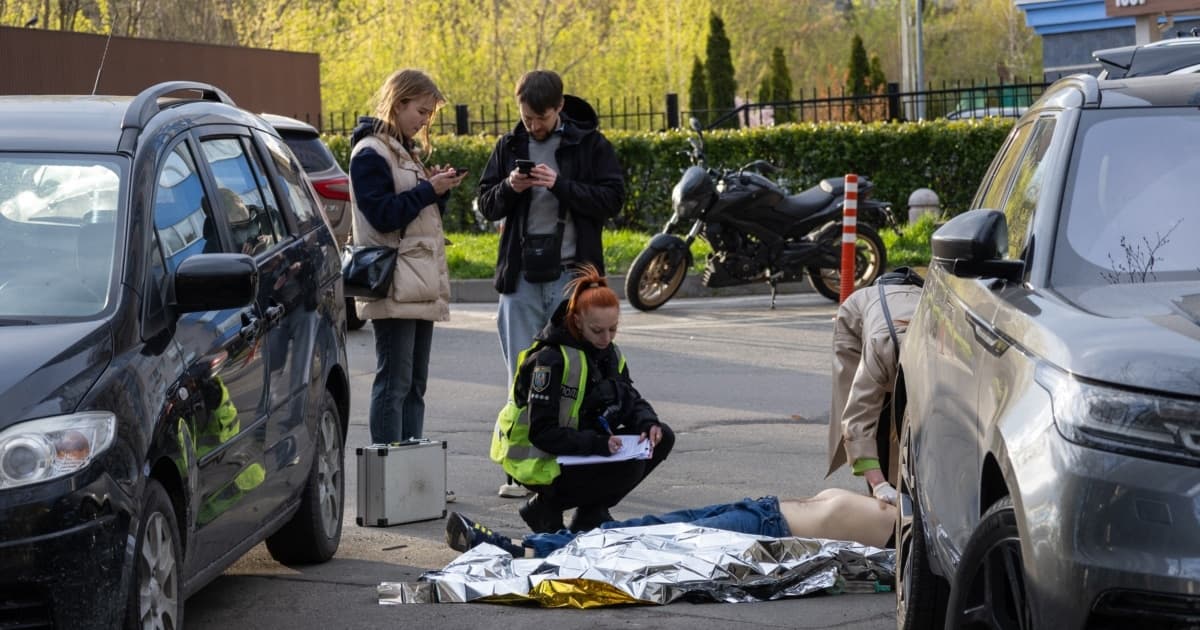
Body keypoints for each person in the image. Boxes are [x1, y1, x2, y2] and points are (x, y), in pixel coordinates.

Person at [476, 70, 626, 499]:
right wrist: (511, 186)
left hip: (570, 277)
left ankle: (573, 467)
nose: (532, 126)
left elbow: (612, 200)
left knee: (574, 375)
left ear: (559, 107)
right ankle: (522, 472)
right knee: (521, 376)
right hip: (521, 275)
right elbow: (487, 203)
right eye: (525, 118)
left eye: (539, 118)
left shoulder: (589, 144)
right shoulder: (509, 145)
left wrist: (560, 185)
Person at [490, 264, 673, 534]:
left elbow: (629, 397)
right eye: (598, 330)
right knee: (628, 469)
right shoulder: (550, 360)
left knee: (661, 438)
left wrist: (648, 423)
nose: (606, 338)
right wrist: (598, 444)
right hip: (538, 461)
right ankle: (546, 506)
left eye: (613, 329)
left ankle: (591, 513)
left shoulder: (609, 352)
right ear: (576, 321)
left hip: (577, 450)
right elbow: (542, 433)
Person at [348, 69, 467, 445]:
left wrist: (437, 190)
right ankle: (389, 471)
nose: (424, 121)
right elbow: (383, 216)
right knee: (395, 382)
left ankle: (415, 472)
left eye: (429, 114)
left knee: (415, 383)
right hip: (395, 279)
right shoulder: (370, 153)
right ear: (398, 103)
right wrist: (427, 190)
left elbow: (417, 218)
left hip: (419, 279)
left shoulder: (404, 151)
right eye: (421, 110)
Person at [445, 488, 897, 558]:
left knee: (641, 537)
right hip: (765, 510)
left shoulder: (932, 534)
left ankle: (519, 548)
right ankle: (531, 544)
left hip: (770, 530)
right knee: (643, 525)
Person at [825, 268, 925, 505]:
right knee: (874, 411)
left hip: (913, 302)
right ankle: (881, 492)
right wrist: (880, 485)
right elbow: (857, 419)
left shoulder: (948, 350)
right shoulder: (883, 348)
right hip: (859, 321)